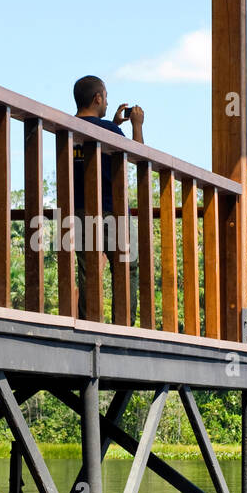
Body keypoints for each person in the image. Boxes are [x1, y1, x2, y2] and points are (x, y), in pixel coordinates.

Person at [72, 75, 143, 325]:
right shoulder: (110, 131)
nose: (106, 101)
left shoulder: (67, 128)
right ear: (98, 98)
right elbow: (137, 156)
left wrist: (112, 124)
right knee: (127, 267)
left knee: (87, 270)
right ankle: (123, 325)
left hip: (79, 211)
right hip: (112, 210)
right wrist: (136, 125)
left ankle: (88, 322)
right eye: (106, 97)